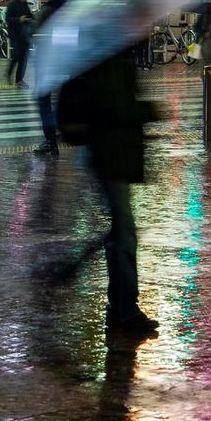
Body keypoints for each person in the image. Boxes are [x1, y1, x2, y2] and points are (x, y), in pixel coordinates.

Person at [57, 28, 159, 335]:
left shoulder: (108, 50)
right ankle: (123, 310)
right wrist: (148, 110)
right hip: (109, 153)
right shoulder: (109, 53)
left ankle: (120, 304)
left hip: (109, 153)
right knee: (123, 234)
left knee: (119, 231)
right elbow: (114, 106)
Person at [32, 0, 66, 156]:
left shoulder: (46, 12)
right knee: (60, 99)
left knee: (43, 100)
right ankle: (57, 133)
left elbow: (31, 32)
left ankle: (50, 140)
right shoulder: (65, 8)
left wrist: (26, 22)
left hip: (47, 61)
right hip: (63, 60)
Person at [5, 0, 33, 87]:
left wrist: (30, 19)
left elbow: (30, 16)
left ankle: (19, 79)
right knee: (17, 55)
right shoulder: (13, 4)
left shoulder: (25, 5)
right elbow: (8, 19)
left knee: (24, 57)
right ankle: (9, 72)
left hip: (24, 35)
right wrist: (19, 19)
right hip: (15, 35)